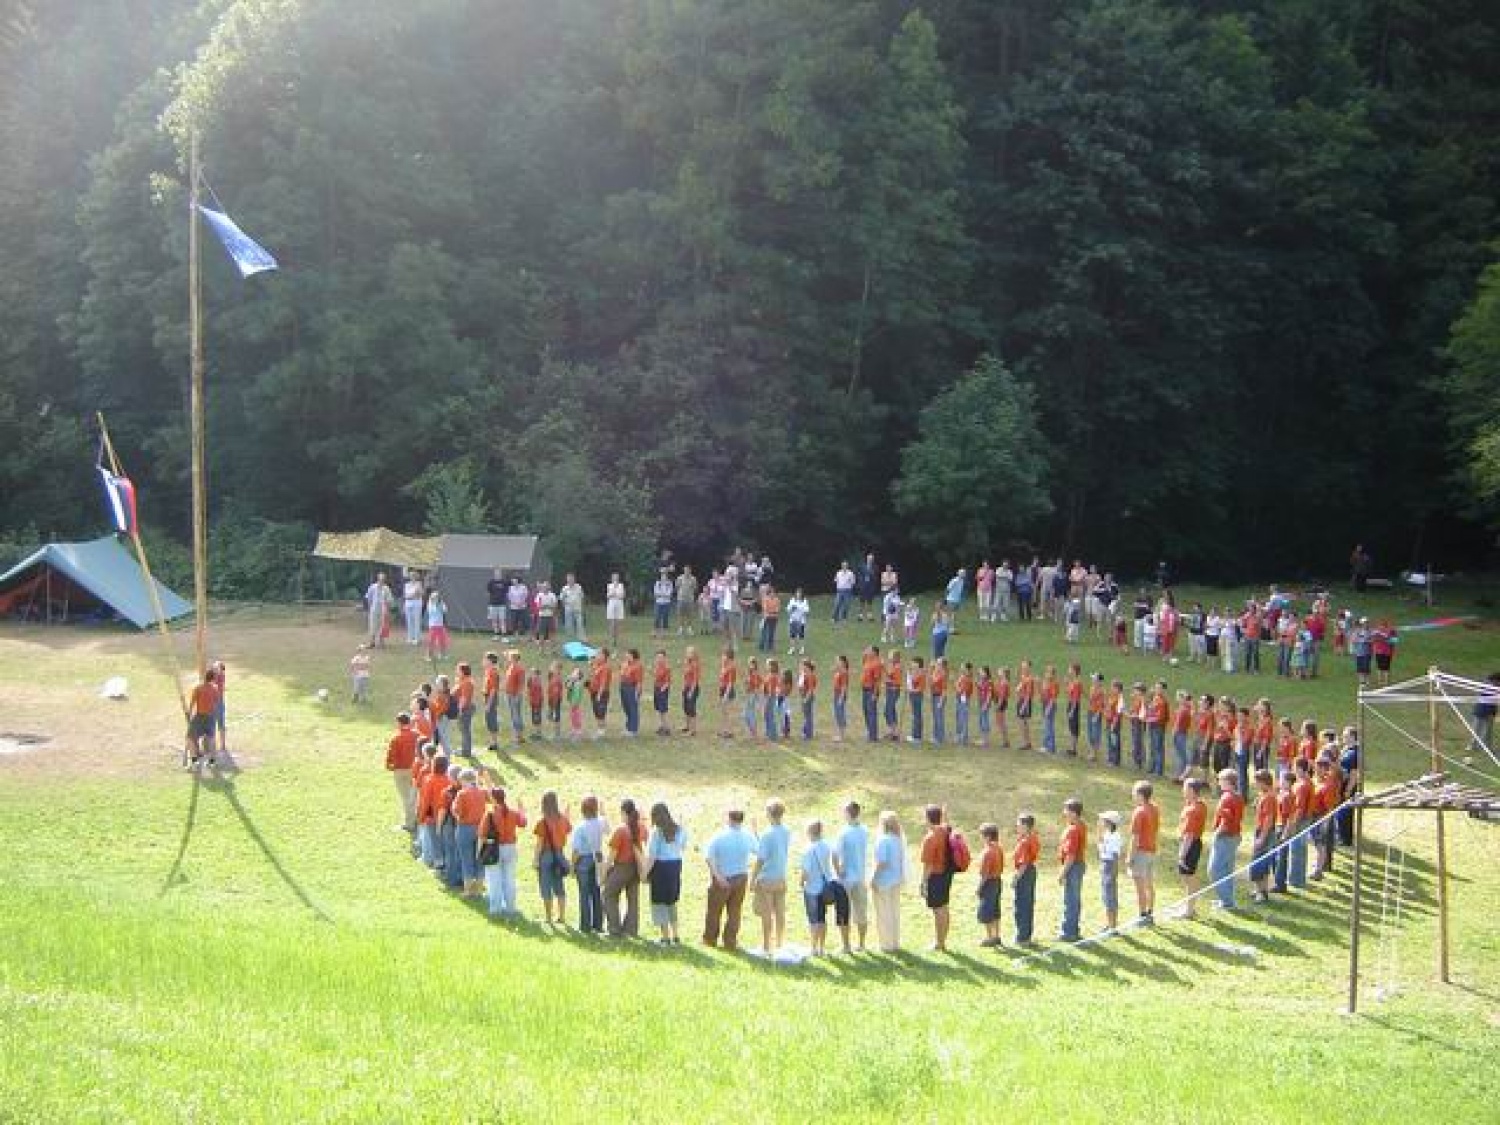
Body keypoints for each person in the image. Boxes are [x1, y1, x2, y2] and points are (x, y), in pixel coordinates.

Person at [703, 808, 756, 950]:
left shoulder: (719, 836)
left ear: (728, 818)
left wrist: (717, 875)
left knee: (714, 911)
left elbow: (708, 856)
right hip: (741, 877)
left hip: (723, 877)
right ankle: (730, 941)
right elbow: (758, 850)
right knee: (735, 911)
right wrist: (755, 831)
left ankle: (710, 940)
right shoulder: (748, 836)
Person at [641, 801, 688, 944]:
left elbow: (652, 856)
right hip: (675, 867)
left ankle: (665, 938)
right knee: (671, 902)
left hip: (660, 869)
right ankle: (676, 936)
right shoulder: (680, 829)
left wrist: (644, 874)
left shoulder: (656, 832)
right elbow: (683, 847)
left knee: (659, 903)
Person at [799, 820, 847, 956]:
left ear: (809, 832)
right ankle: (822, 947)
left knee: (814, 920)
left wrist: (801, 882)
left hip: (812, 889)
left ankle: (813, 948)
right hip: (826, 887)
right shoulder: (827, 845)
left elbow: (806, 871)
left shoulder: (808, 849)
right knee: (822, 919)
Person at [479, 785, 527, 918]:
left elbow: (482, 835)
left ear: (493, 799)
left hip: (494, 848)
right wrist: (522, 810)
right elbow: (523, 822)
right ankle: (511, 908)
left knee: (494, 880)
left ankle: (496, 909)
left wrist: (481, 849)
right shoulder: (512, 812)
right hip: (511, 848)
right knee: (509, 879)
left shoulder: (490, 814)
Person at [751, 800, 791, 956]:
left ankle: (766, 947)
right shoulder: (786, 831)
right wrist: (756, 833)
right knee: (780, 912)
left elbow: (760, 859)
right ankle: (780, 944)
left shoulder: (767, 834)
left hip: (767, 878)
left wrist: (753, 878)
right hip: (781, 876)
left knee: (767, 914)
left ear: (769, 813)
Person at [602, 798, 646, 938]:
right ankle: (631, 930)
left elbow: (611, 857)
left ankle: (615, 928)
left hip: (622, 867)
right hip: (636, 868)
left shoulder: (621, 830)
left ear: (623, 813)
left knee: (608, 894)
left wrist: (604, 874)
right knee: (633, 900)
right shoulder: (641, 828)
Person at [569, 795, 608, 933]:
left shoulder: (580, 827)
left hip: (584, 860)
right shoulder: (601, 822)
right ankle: (598, 924)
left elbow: (576, 851)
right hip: (597, 858)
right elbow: (607, 829)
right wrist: (603, 811)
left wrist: (572, 866)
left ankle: (585, 925)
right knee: (596, 891)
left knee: (584, 893)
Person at [834, 802, 870, 952]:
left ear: (848, 813)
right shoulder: (864, 830)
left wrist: (837, 871)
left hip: (847, 878)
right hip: (861, 876)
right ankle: (861, 944)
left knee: (843, 910)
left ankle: (846, 945)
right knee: (861, 911)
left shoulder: (844, 832)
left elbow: (835, 855)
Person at [533, 790, 572, 925]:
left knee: (545, 886)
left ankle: (548, 918)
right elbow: (568, 830)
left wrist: (536, 859)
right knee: (559, 886)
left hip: (546, 855)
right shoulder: (563, 819)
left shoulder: (542, 822)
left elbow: (539, 843)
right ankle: (561, 916)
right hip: (560, 854)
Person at [918, 805, 954, 953]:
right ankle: (942, 940)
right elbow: (946, 823)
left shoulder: (930, 838)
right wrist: (944, 814)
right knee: (944, 907)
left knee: (938, 909)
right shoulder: (946, 830)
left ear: (927, 819)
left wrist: (923, 882)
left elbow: (927, 865)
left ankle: (939, 943)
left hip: (935, 875)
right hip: (947, 873)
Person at [1207, 769, 1244, 910]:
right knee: (1227, 870)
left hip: (1225, 837)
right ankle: (1227, 901)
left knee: (1214, 870)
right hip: (1234, 836)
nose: (1219, 783)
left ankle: (1227, 902)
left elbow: (1226, 819)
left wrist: (1217, 833)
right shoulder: (1238, 797)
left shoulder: (1226, 797)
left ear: (1228, 782)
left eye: (1220, 780)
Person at [871, 811, 906, 953]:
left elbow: (881, 863)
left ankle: (886, 945)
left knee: (883, 913)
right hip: (896, 879)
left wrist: (872, 878)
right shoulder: (898, 839)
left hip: (884, 881)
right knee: (894, 911)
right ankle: (895, 942)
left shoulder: (883, 840)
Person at [1173, 778, 1208, 919]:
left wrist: (1182, 854)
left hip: (1190, 845)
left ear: (1192, 791)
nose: (1183, 790)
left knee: (1188, 877)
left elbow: (1189, 835)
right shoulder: (1199, 805)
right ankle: (1189, 905)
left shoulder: (1193, 810)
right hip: (1193, 843)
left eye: (1185, 788)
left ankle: (1189, 910)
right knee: (1188, 876)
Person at [451, 768, 488, 898]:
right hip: (481, 827)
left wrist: (454, 809)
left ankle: (468, 890)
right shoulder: (482, 792)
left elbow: (457, 812)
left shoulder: (462, 793)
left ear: (464, 780)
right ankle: (478, 889)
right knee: (480, 858)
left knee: (466, 858)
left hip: (465, 828)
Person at [1128, 780, 1159, 925]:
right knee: (1149, 884)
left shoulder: (1139, 812)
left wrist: (1130, 857)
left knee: (1140, 886)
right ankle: (1151, 912)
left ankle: (1142, 915)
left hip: (1141, 852)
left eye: (1134, 792)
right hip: (1152, 851)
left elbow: (1135, 837)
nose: (1132, 795)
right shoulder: (1154, 808)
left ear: (1140, 795)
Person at [1056, 798, 1087, 942]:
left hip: (1073, 866)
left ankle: (1068, 932)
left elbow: (1071, 855)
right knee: (1074, 898)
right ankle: (1073, 929)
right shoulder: (1081, 825)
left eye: (1067, 810)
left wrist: (1062, 873)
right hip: (1078, 865)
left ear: (1074, 813)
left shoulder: (1073, 830)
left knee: (1071, 899)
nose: (1064, 813)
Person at [1248, 769, 1278, 904]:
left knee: (1258, 862)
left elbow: (1269, 819)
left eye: (1258, 782)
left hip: (1265, 832)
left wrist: (1262, 838)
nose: (1256, 785)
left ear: (1264, 782)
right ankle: (1261, 889)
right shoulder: (1265, 795)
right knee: (1261, 862)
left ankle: (1261, 892)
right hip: (1261, 830)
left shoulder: (1269, 798)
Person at [385, 712, 419, 832]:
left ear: (399, 723)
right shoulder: (416, 735)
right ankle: (417, 819)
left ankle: (409, 823)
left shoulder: (396, 738)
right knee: (414, 795)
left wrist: (389, 766)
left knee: (405, 797)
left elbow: (391, 755)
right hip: (414, 769)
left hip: (401, 770)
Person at [1011, 813, 1040, 945]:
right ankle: (1026, 936)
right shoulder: (1033, 837)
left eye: (1018, 825)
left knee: (1021, 905)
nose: (1017, 827)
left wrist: (1016, 878)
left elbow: (1023, 863)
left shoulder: (1024, 842)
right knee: (1028, 904)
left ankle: (1022, 937)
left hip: (1025, 873)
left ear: (1025, 826)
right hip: (1031, 871)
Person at [185, 667, 220, 769]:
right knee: (211, 739)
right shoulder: (215, 688)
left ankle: (194, 762)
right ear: (212, 678)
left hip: (200, 716)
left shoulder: (198, 688)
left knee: (190, 738)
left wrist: (189, 713)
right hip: (211, 716)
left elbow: (192, 703)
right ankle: (212, 762)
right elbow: (216, 702)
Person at [976, 823, 1005, 947]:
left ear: (988, 837)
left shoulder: (988, 852)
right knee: (995, 910)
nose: (981, 838)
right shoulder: (998, 848)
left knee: (986, 911)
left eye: (982, 835)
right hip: (997, 881)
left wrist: (978, 888)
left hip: (989, 883)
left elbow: (985, 874)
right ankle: (996, 935)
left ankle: (989, 937)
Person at [1097, 811, 1122, 933]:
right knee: (1106, 895)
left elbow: (1115, 855)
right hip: (1105, 863)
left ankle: (1113, 926)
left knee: (1110, 895)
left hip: (1110, 865)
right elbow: (1102, 849)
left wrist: (1113, 873)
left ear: (1109, 823)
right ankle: (1109, 923)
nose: (1101, 822)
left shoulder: (1115, 836)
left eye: (1103, 820)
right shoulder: (1107, 834)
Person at [365, 572, 394, 648]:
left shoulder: (386, 588)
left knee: (382, 626)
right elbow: (368, 597)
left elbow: (389, 600)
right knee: (372, 625)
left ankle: (381, 642)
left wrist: (388, 610)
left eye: (383, 579)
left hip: (383, 610)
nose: (382, 580)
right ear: (378, 579)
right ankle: (372, 642)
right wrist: (370, 607)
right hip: (374, 609)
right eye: (380, 579)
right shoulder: (372, 587)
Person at [425, 588, 450, 661]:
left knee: (442, 640)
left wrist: (440, 605)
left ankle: (442, 654)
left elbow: (445, 610)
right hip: (433, 626)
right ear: (431, 598)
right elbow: (431, 612)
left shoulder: (441, 603)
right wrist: (435, 605)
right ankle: (428, 656)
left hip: (440, 626)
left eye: (437, 597)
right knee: (431, 641)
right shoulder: (430, 604)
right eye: (434, 597)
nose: (436, 598)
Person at [561, 573, 586, 640]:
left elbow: (582, 597)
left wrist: (582, 607)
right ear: (567, 580)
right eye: (568, 579)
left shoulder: (579, 587)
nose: (570, 580)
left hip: (577, 609)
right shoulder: (564, 588)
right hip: (568, 609)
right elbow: (562, 599)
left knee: (580, 625)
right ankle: (570, 640)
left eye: (571, 578)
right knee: (569, 625)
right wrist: (565, 607)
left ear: (574, 579)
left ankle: (582, 640)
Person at [786, 587, 810, 656]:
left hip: (801, 621)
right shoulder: (792, 600)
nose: (798, 594)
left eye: (800, 593)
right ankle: (792, 648)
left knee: (801, 635)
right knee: (792, 635)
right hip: (793, 620)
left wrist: (800, 609)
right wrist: (791, 609)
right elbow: (788, 609)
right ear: (796, 593)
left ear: (802, 594)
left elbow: (807, 610)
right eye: (797, 593)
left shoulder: (804, 601)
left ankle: (802, 649)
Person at [402, 572, 425, 645]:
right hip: (408, 604)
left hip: (417, 604)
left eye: (414, 576)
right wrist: (413, 594)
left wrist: (414, 594)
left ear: (416, 577)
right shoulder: (407, 585)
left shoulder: (419, 584)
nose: (412, 577)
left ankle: (417, 638)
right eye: (411, 576)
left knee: (416, 620)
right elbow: (406, 595)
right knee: (409, 621)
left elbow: (421, 594)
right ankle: (410, 637)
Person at [605, 573, 627, 647]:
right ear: (612, 578)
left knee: (618, 623)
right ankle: (611, 639)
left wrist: (616, 594)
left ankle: (617, 639)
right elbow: (608, 595)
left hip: (619, 605)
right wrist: (614, 593)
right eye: (614, 577)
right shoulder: (609, 585)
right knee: (612, 623)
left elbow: (622, 595)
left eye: (616, 577)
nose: (615, 579)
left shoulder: (621, 585)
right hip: (611, 605)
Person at [486, 569, 508, 638]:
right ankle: (496, 635)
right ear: (494, 574)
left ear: (501, 574)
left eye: (499, 573)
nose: (497, 574)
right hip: (493, 604)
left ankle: (504, 636)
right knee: (494, 620)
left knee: (502, 620)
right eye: (496, 573)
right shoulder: (491, 582)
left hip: (502, 605)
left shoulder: (504, 582)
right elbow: (488, 591)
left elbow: (506, 591)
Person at [832, 561, 856, 625]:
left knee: (846, 605)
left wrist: (849, 582)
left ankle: (844, 618)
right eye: (843, 565)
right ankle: (834, 618)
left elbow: (853, 582)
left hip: (847, 591)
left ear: (847, 566)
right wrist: (838, 583)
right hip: (839, 590)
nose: (844, 567)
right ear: (841, 566)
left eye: (845, 566)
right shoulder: (838, 573)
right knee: (837, 604)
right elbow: (835, 580)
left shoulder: (850, 573)